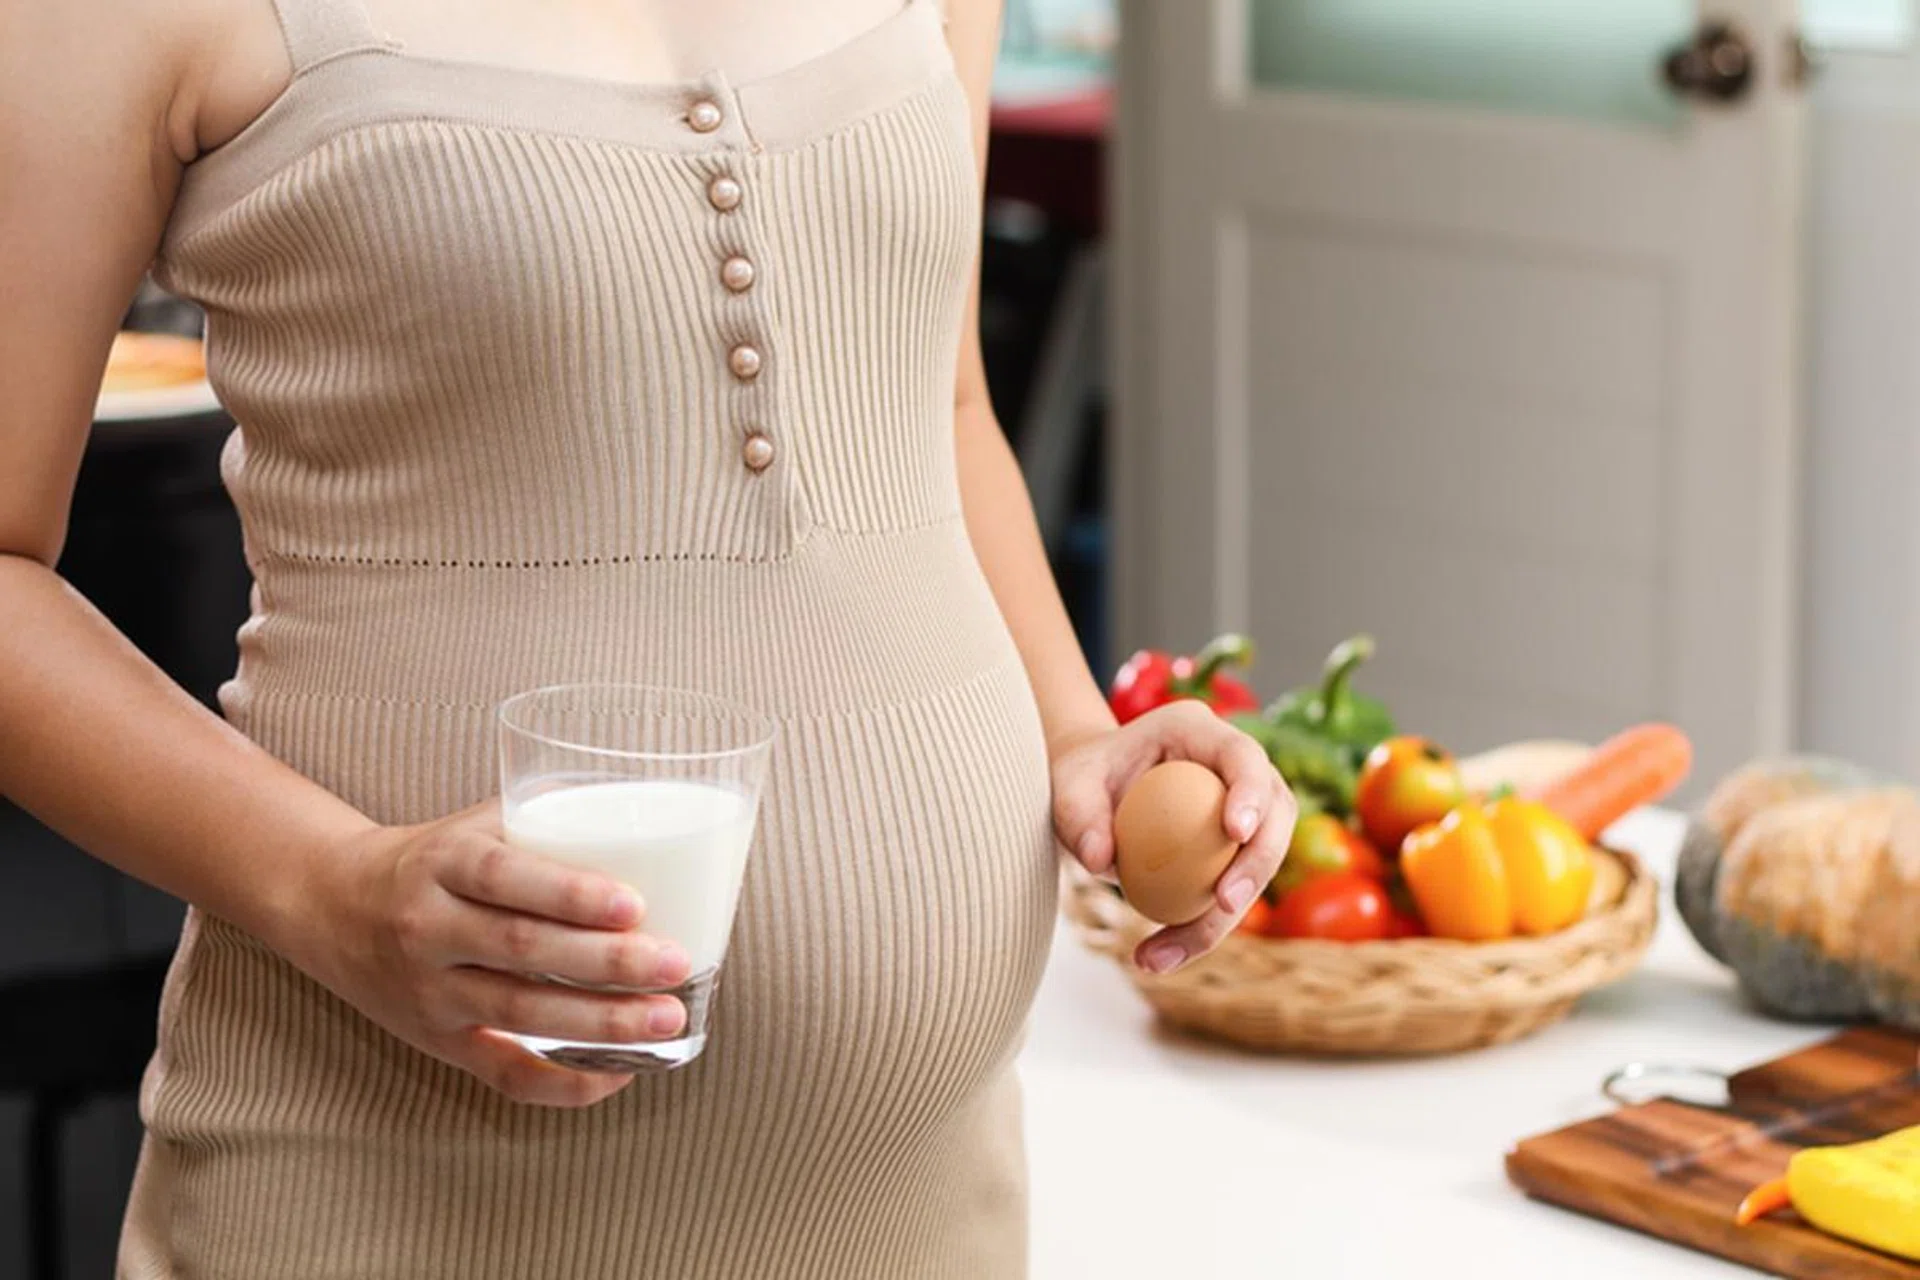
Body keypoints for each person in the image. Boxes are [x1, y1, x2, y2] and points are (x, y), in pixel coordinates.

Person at [0, 0, 1295, 1274]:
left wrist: (1079, 732)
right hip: (392, 1192)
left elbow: (936, 405)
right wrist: (331, 889)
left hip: (920, 1201)